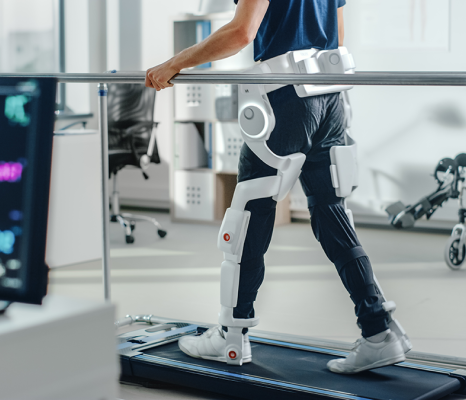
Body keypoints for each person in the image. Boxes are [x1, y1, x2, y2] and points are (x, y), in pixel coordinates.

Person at [145, 0, 407, 374]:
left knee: (249, 213)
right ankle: (379, 331)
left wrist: (175, 63)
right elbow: (338, 32)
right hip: (329, 95)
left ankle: (230, 335)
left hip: (285, 97)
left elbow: (241, 32)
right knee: (331, 213)